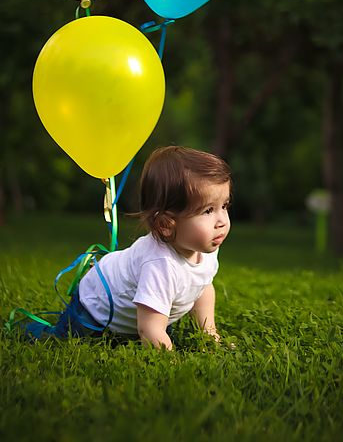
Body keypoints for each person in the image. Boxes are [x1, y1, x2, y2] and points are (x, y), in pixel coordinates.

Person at [24, 146, 232, 350]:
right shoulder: (160, 264)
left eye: (224, 206)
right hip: (94, 307)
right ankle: (28, 331)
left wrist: (208, 333)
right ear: (166, 225)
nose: (221, 220)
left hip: (127, 309)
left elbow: (203, 285)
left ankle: (124, 333)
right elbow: (150, 330)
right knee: (61, 341)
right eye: (207, 211)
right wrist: (172, 366)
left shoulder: (206, 248)